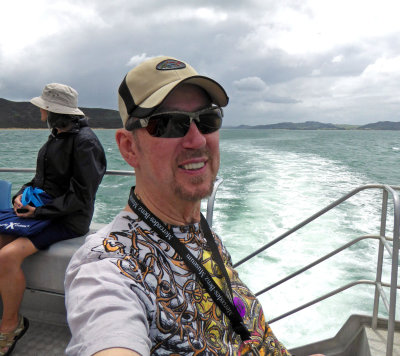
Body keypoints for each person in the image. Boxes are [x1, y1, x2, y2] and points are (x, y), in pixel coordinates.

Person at [65, 57, 323, 356]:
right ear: (129, 147)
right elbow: (109, 332)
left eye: (207, 119)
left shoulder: (197, 227)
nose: (197, 139)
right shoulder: (108, 267)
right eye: (169, 124)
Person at [0, 83, 106, 355]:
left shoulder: (86, 143)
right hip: (45, 210)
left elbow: (82, 197)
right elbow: (40, 180)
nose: (40, 112)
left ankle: (11, 324)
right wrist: (22, 195)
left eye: (44, 108)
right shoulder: (57, 136)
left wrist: (39, 212)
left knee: (7, 255)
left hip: (69, 219)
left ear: (53, 110)